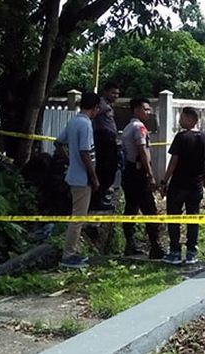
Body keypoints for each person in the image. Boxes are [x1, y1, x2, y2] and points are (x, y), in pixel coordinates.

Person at [160, 107, 205, 265]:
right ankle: (191, 253)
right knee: (193, 218)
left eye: (182, 118)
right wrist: (202, 174)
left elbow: (173, 162)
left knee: (174, 218)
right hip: (196, 185)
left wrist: (164, 181)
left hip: (178, 184)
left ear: (191, 119)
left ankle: (175, 252)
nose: (180, 121)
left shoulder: (181, 137)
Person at [54, 92, 100, 268]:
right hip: (82, 178)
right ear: (95, 108)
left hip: (74, 174)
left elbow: (58, 142)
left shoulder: (74, 121)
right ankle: (68, 255)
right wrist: (93, 177)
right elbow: (84, 152)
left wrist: (67, 159)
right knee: (78, 218)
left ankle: (72, 252)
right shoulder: (86, 124)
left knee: (78, 216)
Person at [121, 97, 165, 259]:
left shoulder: (127, 127)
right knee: (149, 210)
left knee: (131, 208)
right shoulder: (140, 128)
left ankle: (130, 245)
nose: (149, 112)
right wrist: (150, 175)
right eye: (146, 109)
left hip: (129, 172)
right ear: (136, 110)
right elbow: (143, 151)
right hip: (139, 173)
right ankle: (155, 247)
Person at [91, 82, 120, 211]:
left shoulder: (108, 105)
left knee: (111, 169)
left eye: (117, 94)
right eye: (113, 93)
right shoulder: (101, 104)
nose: (115, 96)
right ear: (106, 92)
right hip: (103, 139)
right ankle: (97, 200)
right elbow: (93, 115)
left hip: (109, 139)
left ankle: (101, 196)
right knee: (105, 170)